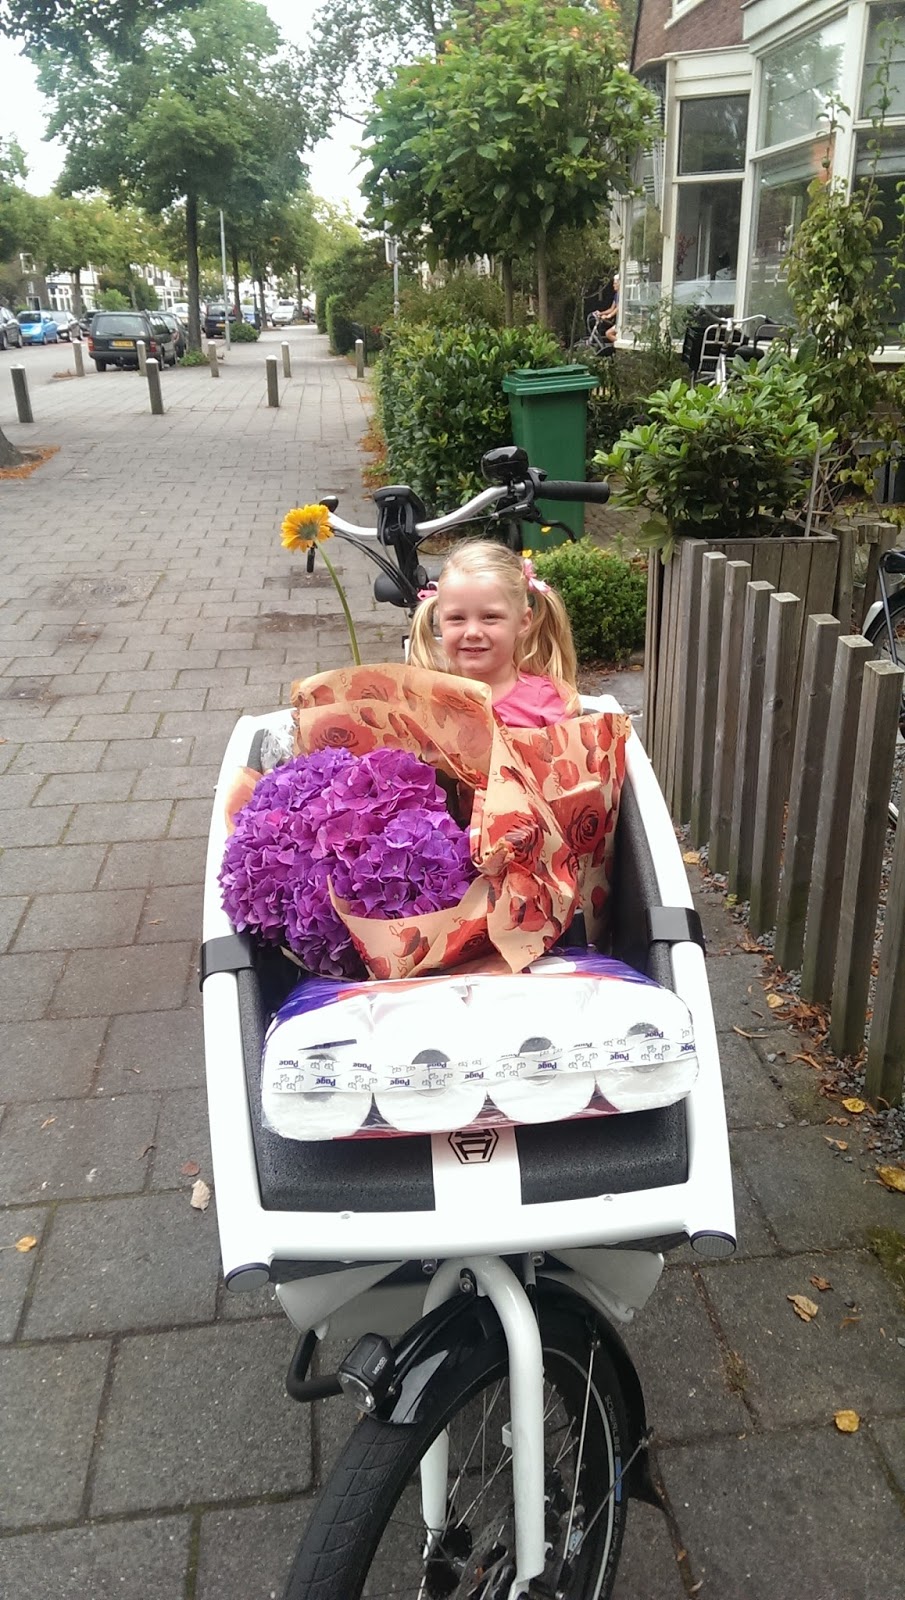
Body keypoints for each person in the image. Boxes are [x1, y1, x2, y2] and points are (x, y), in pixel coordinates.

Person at [408, 540, 580, 727]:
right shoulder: (425, 695)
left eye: (490, 617)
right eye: (456, 618)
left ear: (523, 622)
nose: (472, 632)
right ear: (439, 620)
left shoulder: (546, 702)